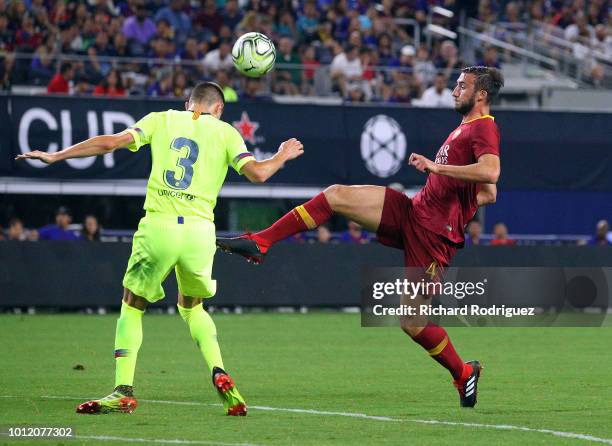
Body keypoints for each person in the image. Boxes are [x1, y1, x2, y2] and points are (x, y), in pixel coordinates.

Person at [217, 66, 504, 408]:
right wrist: (460, 195)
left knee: (411, 322)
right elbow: (488, 192)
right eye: (456, 84)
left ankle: (463, 372)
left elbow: (491, 173)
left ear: (481, 94)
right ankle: (261, 241)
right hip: (414, 212)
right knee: (336, 194)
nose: (455, 90)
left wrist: (437, 170)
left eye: (462, 86)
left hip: (433, 236)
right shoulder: (465, 128)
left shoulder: (485, 126)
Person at [16, 82, 304, 416]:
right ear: (219, 109)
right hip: (199, 232)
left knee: (132, 305)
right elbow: (258, 173)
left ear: (187, 103)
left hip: (159, 226)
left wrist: (56, 155)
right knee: (193, 307)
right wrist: (282, 154)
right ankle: (219, 370)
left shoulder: (161, 119)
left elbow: (111, 143)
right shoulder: (227, 133)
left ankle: (123, 389)